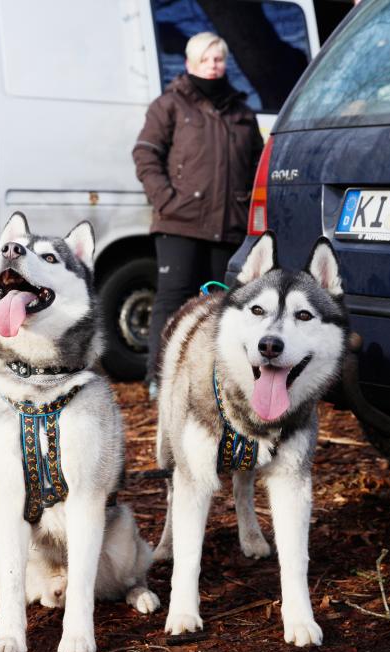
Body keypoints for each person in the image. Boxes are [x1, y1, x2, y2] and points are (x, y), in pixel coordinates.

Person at [133, 32, 263, 398]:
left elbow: (257, 165)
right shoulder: (170, 105)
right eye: (206, 59)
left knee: (222, 303)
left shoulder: (241, 111)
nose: (213, 65)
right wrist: (166, 200)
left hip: (229, 225)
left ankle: (215, 377)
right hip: (180, 222)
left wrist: (248, 205)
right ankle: (159, 375)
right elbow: (145, 154)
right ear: (190, 64)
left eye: (218, 59)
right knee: (172, 299)